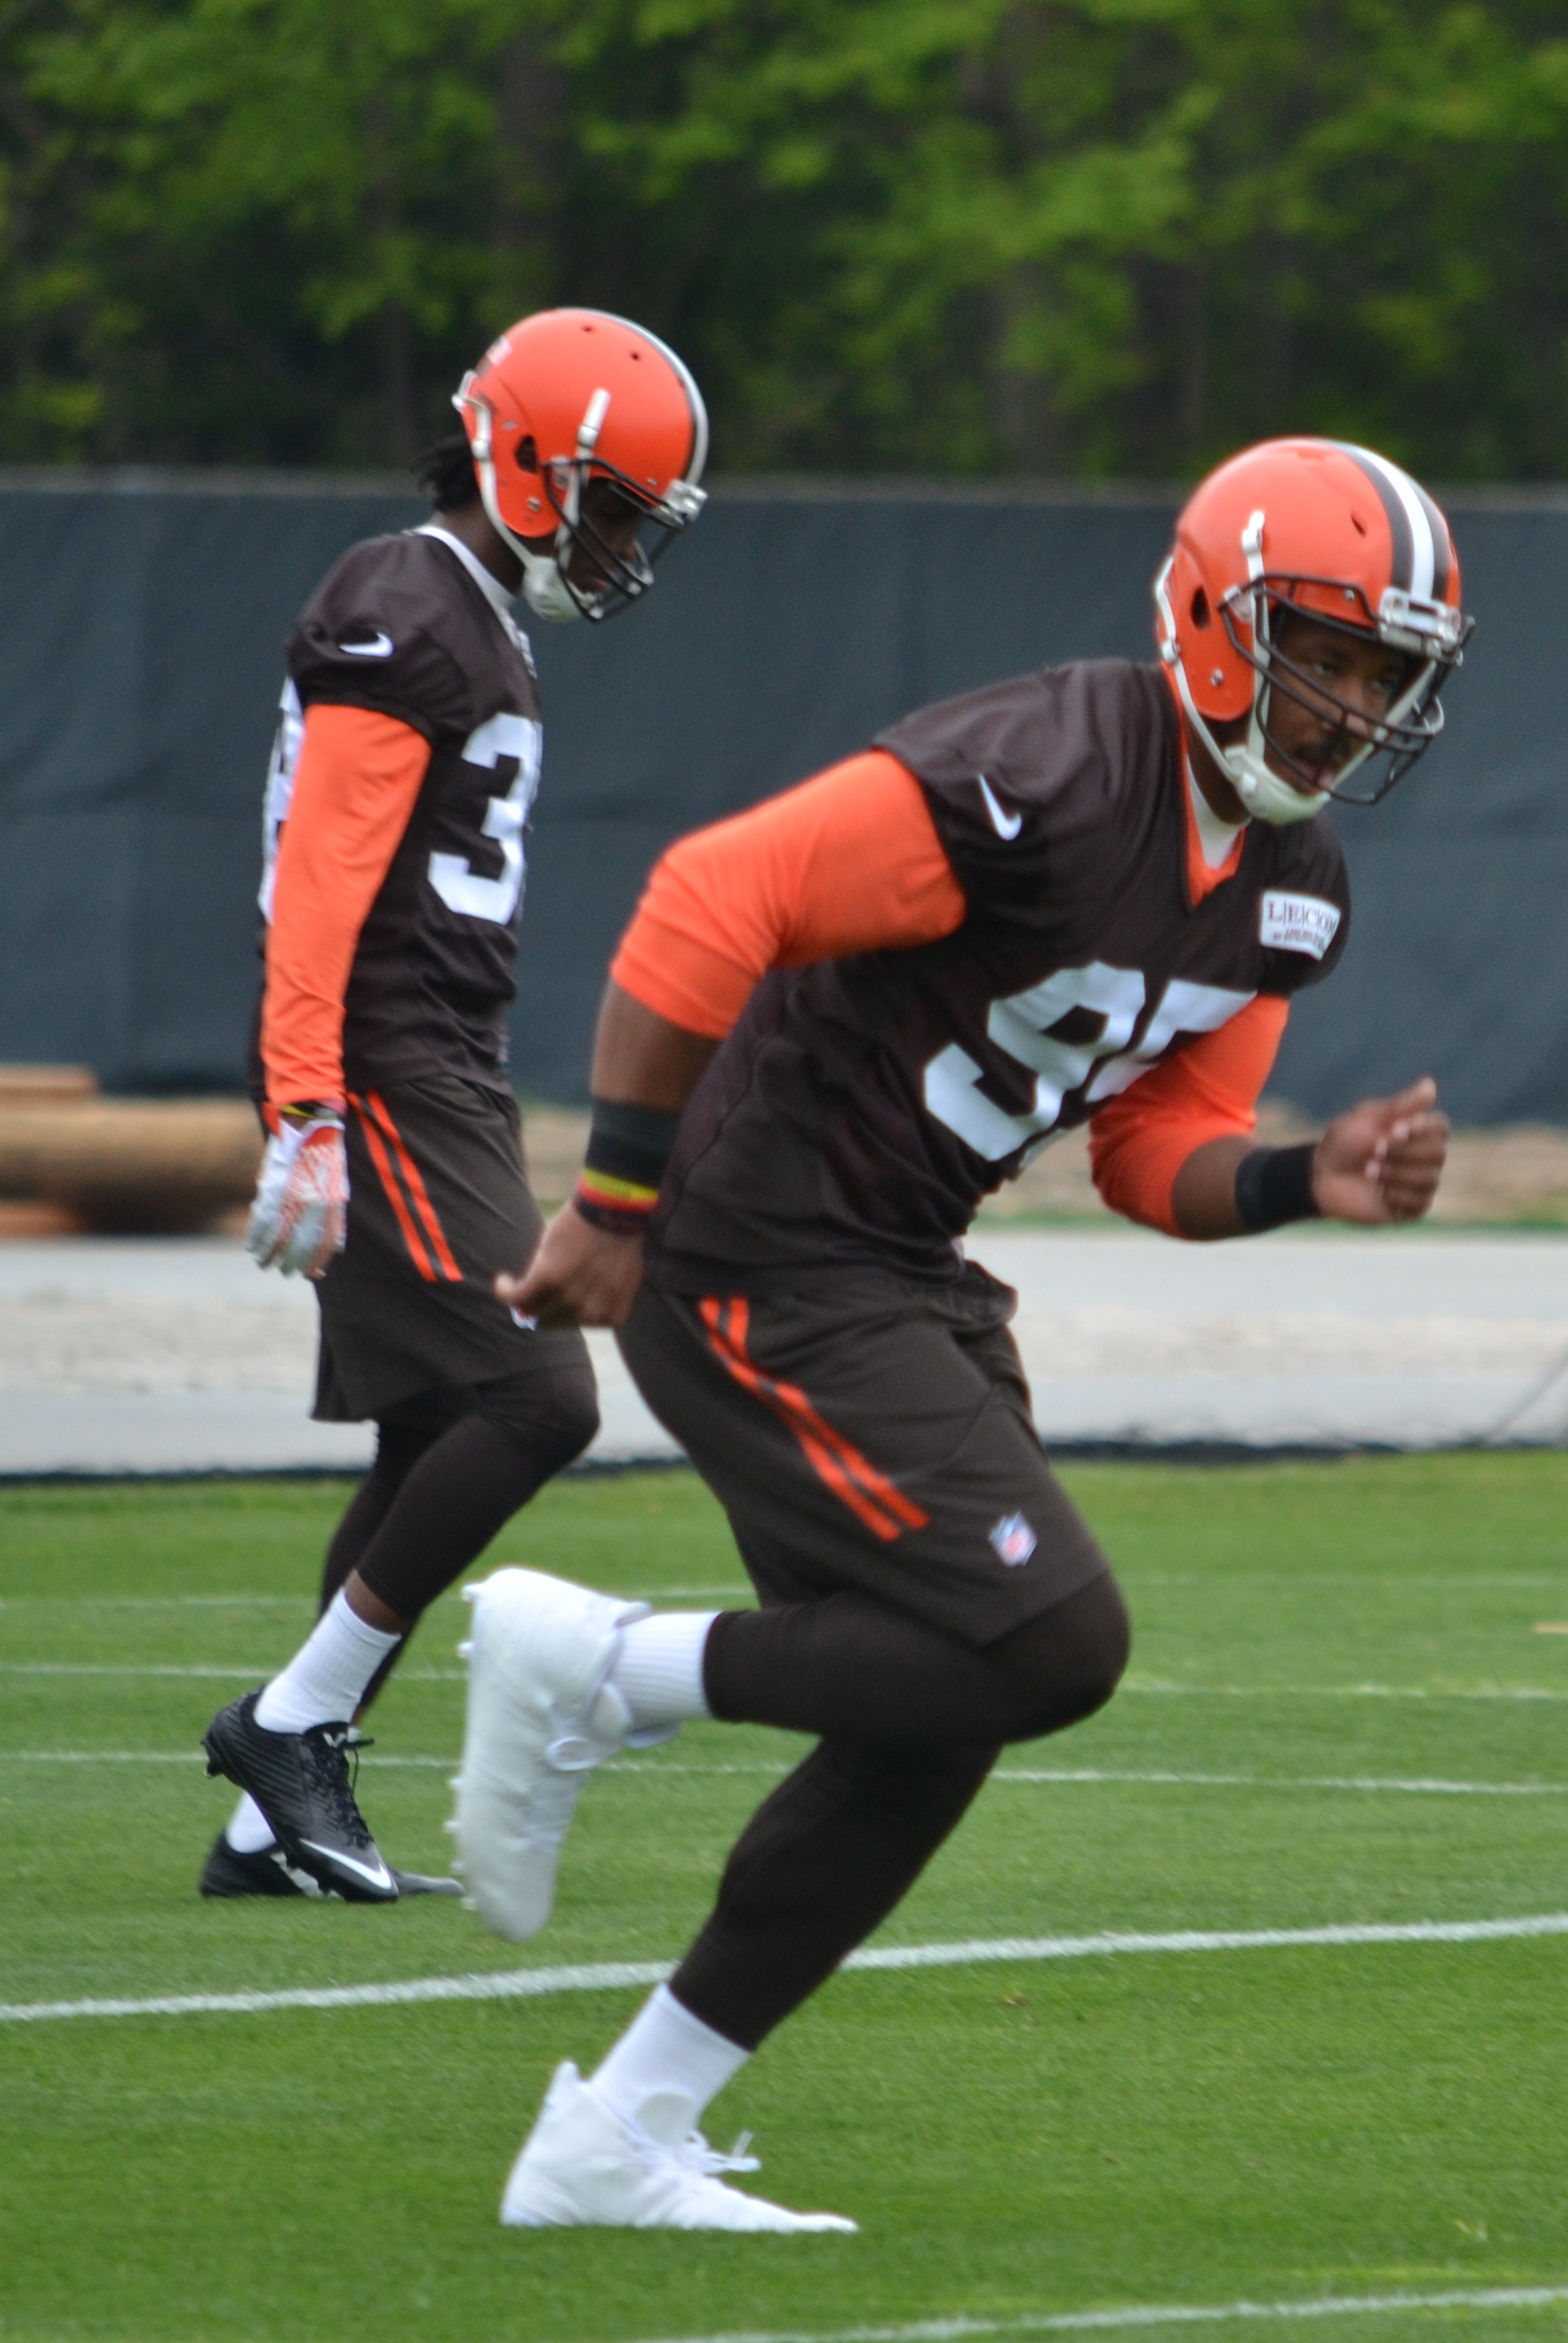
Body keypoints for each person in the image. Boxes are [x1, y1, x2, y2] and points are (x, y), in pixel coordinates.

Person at [441, 435, 1466, 2231]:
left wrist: (1314, 1179)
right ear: (1221, 621)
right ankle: (604, 1670)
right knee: (1053, 1638)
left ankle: (612, 2138)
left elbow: (1152, 1144)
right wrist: (611, 1208)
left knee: (938, 1709)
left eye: (1390, 674)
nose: (1352, 705)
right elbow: (707, 897)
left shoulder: (1294, 890)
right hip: (760, 1247)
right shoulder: (1045, 775)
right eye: (1329, 650)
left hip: (898, 1262)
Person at [197, 310, 705, 1904]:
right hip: (381, 1055)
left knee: (433, 1425)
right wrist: (305, 1102)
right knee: (540, 1398)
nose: (623, 544)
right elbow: (320, 887)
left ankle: (267, 1824)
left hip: (438, 1056)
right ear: (529, 464)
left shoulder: (468, 610)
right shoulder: (406, 600)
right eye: (612, 504)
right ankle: (292, 1728)